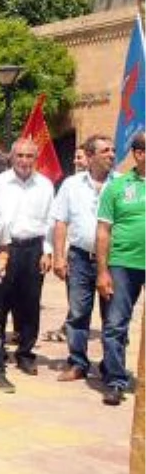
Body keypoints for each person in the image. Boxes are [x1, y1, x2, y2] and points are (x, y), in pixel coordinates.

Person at [0, 138, 55, 390]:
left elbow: (49, 221)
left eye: (30, 156)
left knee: (30, 303)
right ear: (12, 157)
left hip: (33, 248)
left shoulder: (45, 185)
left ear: (36, 158)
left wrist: (47, 251)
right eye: (20, 156)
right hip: (6, 248)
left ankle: (25, 354)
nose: (25, 161)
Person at [52, 134, 114, 382]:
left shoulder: (121, 184)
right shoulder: (71, 185)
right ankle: (78, 363)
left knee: (113, 315)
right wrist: (58, 256)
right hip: (79, 258)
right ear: (89, 157)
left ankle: (111, 366)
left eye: (113, 150)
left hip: (113, 260)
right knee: (78, 313)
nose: (111, 155)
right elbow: (61, 222)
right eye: (105, 151)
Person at [94, 129, 146, 406]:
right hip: (123, 264)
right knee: (115, 324)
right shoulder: (117, 187)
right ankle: (115, 380)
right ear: (139, 154)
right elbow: (103, 230)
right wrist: (102, 271)